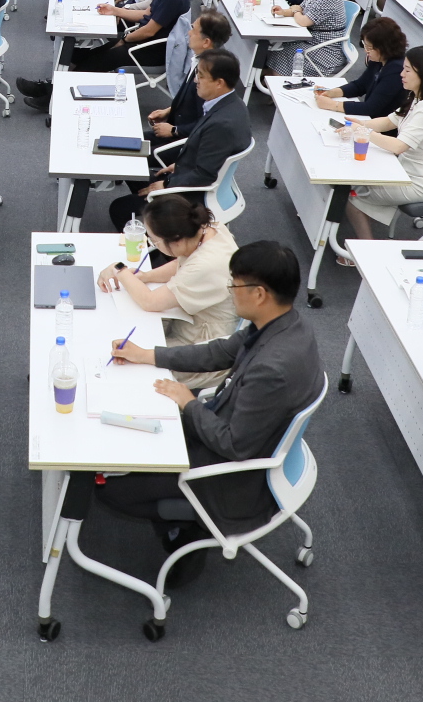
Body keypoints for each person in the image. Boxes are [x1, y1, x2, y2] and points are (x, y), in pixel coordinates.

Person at [100, 241, 323, 587]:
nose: (230, 291)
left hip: (232, 474)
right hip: (250, 433)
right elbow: (220, 352)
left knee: (112, 490)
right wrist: (149, 355)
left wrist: (188, 401)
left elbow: (232, 444)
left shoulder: (273, 367)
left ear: (260, 293)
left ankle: (190, 528)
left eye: (234, 284)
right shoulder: (285, 323)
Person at [95, 195, 241, 383]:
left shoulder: (207, 264)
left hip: (202, 343)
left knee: (128, 365)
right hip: (192, 319)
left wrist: (119, 269)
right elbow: (185, 261)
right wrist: (146, 276)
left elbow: (150, 302)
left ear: (177, 241)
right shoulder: (209, 229)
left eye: (155, 241)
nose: (152, 244)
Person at [25, 0, 192, 98]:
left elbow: (149, 31)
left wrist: (126, 39)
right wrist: (114, 10)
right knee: (86, 52)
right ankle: (52, 88)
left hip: (153, 49)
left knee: (102, 59)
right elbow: (147, 14)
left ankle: (53, 95)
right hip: (143, 40)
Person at [108, 49, 251, 229]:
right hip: (189, 173)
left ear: (219, 83)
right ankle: (157, 217)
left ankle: (164, 245)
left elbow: (204, 175)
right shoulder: (231, 105)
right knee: (133, 168)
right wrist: (180, 165)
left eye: (201, 76)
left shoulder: (221, 124)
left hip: (192, 192)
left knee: (119, 208)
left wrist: (166, 184)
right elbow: (213, 155)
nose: (195, 80)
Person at [338, 46, 423, 253]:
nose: (401, 74)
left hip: (420, 182)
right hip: (408, 170)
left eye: (407, 70)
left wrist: (363, 133)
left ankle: (366, 251)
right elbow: (388, 122)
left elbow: (398, 145)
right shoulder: (417, 97)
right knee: (355, 178)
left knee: (350, 193)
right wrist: (359, 124)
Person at [147, 10, 232, 142]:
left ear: (206, 42)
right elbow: (191, 101)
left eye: (193, 30)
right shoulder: (201, 60)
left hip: (183, 144)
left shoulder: (210, 77)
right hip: (176, 130)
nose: (189, 33)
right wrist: (169, 110)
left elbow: (207, 123)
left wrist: (174, 130)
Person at [314, 17, 408, 117]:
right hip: (369, 118)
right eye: (365, 46)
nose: (366, 51)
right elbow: (360, 86)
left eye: (369, 48)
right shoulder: (379, 59)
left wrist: (332, 105)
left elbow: (371, 108)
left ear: (384, 47)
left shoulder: (396, 71)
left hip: (380, 125)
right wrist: (331, 92)